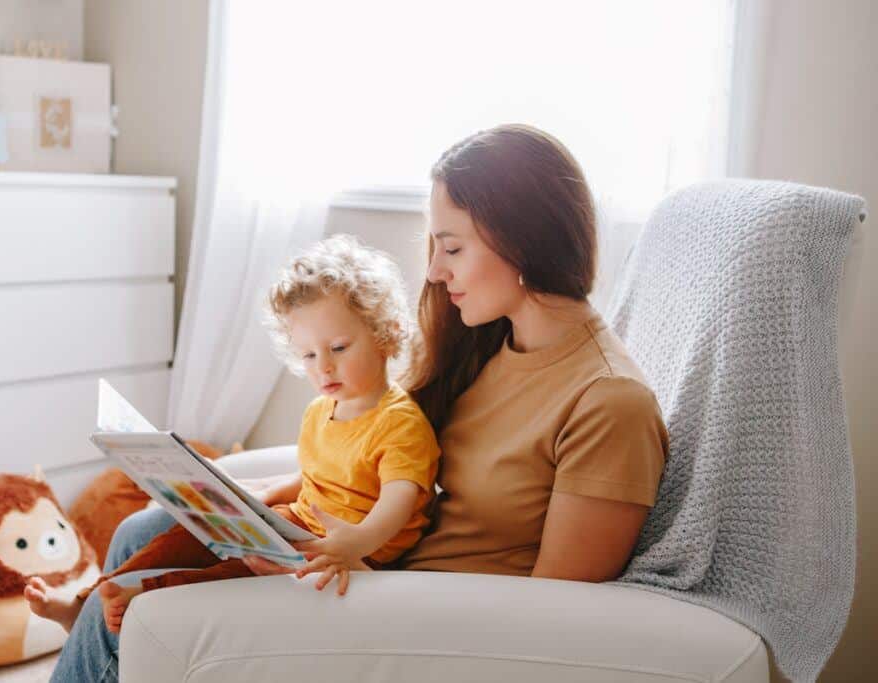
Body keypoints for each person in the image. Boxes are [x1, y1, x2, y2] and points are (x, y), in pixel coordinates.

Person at [51, 124, 669, 682]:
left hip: (416, 615)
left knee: (148, 614)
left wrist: (362, 577)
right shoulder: (491, 346)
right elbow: (381, 456)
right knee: (143, 529)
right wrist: (256, 500)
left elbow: (558, 630)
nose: (434, 271)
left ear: (523, 242)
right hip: (374, 569)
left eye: (452, 248)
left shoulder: (608, 403)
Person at [27, 235, 440, 635]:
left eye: (339, 348)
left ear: (384, 334)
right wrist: (260, 494)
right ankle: (84, 602)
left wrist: (355, 543)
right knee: (189, 535)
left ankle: (144, 594)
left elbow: (398, 502)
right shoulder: (321, 411)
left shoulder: (400, 423)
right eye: (309, 355)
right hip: (301, 527)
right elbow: (320, 477)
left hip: (355, 554)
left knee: (236, 572)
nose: (323, 367)